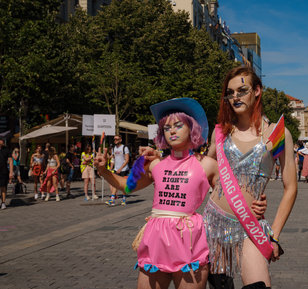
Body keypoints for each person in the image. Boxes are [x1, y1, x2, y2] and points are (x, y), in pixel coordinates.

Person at [95, 98, 217, 289]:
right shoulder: (152, 163)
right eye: (166, 128)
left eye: (178, 125)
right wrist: (104, 171)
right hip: (155, 240)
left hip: (190, 240)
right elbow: (127, 186)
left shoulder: (207, 164)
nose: (172, 131)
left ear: (192, 128)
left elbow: (229, 196)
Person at [205, 67, 297, 289]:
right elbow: (203, 172)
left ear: (257, 90)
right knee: (219, 286)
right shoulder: (220, 132)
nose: (235, 96)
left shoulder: (277, 134)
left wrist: (273, 234)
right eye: (230, 92)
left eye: (242, 90)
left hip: (251, 226)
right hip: (213, 224)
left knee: (258, 284)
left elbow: (291, 187)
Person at [106, 134, 130, 206]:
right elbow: (113, 159)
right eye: (114, 139)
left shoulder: (124, 148)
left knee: (123, 185)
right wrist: (111, 168)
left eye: (116, 139)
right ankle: (112, 199)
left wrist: (121, 168)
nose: (115, 141)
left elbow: (127, 160)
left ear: (120, 140)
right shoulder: (113, 148)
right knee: (115, 184)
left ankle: (124, 199)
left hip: (124, 169)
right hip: (116, 169)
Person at [0, 138, 13, 209]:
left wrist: (11, 172)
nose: (2, 141)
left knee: (3, 187)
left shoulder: (6, 149)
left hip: (3, 171)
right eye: (1, 140)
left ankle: (3, 202)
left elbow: (10, 161)